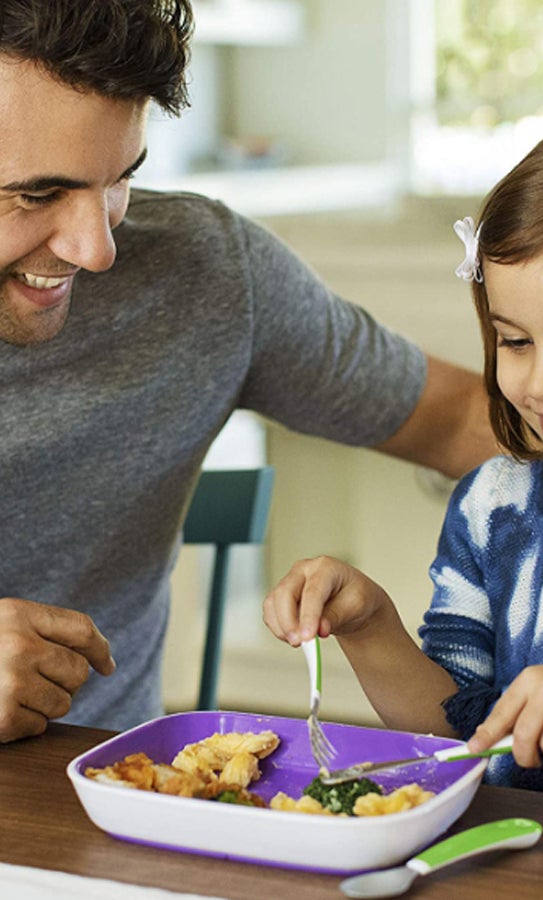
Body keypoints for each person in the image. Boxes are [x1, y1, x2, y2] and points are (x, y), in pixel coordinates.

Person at [0, 0, 496, 744]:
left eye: (118, 180)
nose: (96, 248)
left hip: (106, 804)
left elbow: (466, 422)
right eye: (38, 194)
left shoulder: (206, 273)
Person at [264, 114, 543, 805]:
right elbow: (460, 738)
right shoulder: (495, 505)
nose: (542, 383)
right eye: (513, 341)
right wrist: (369, 625)